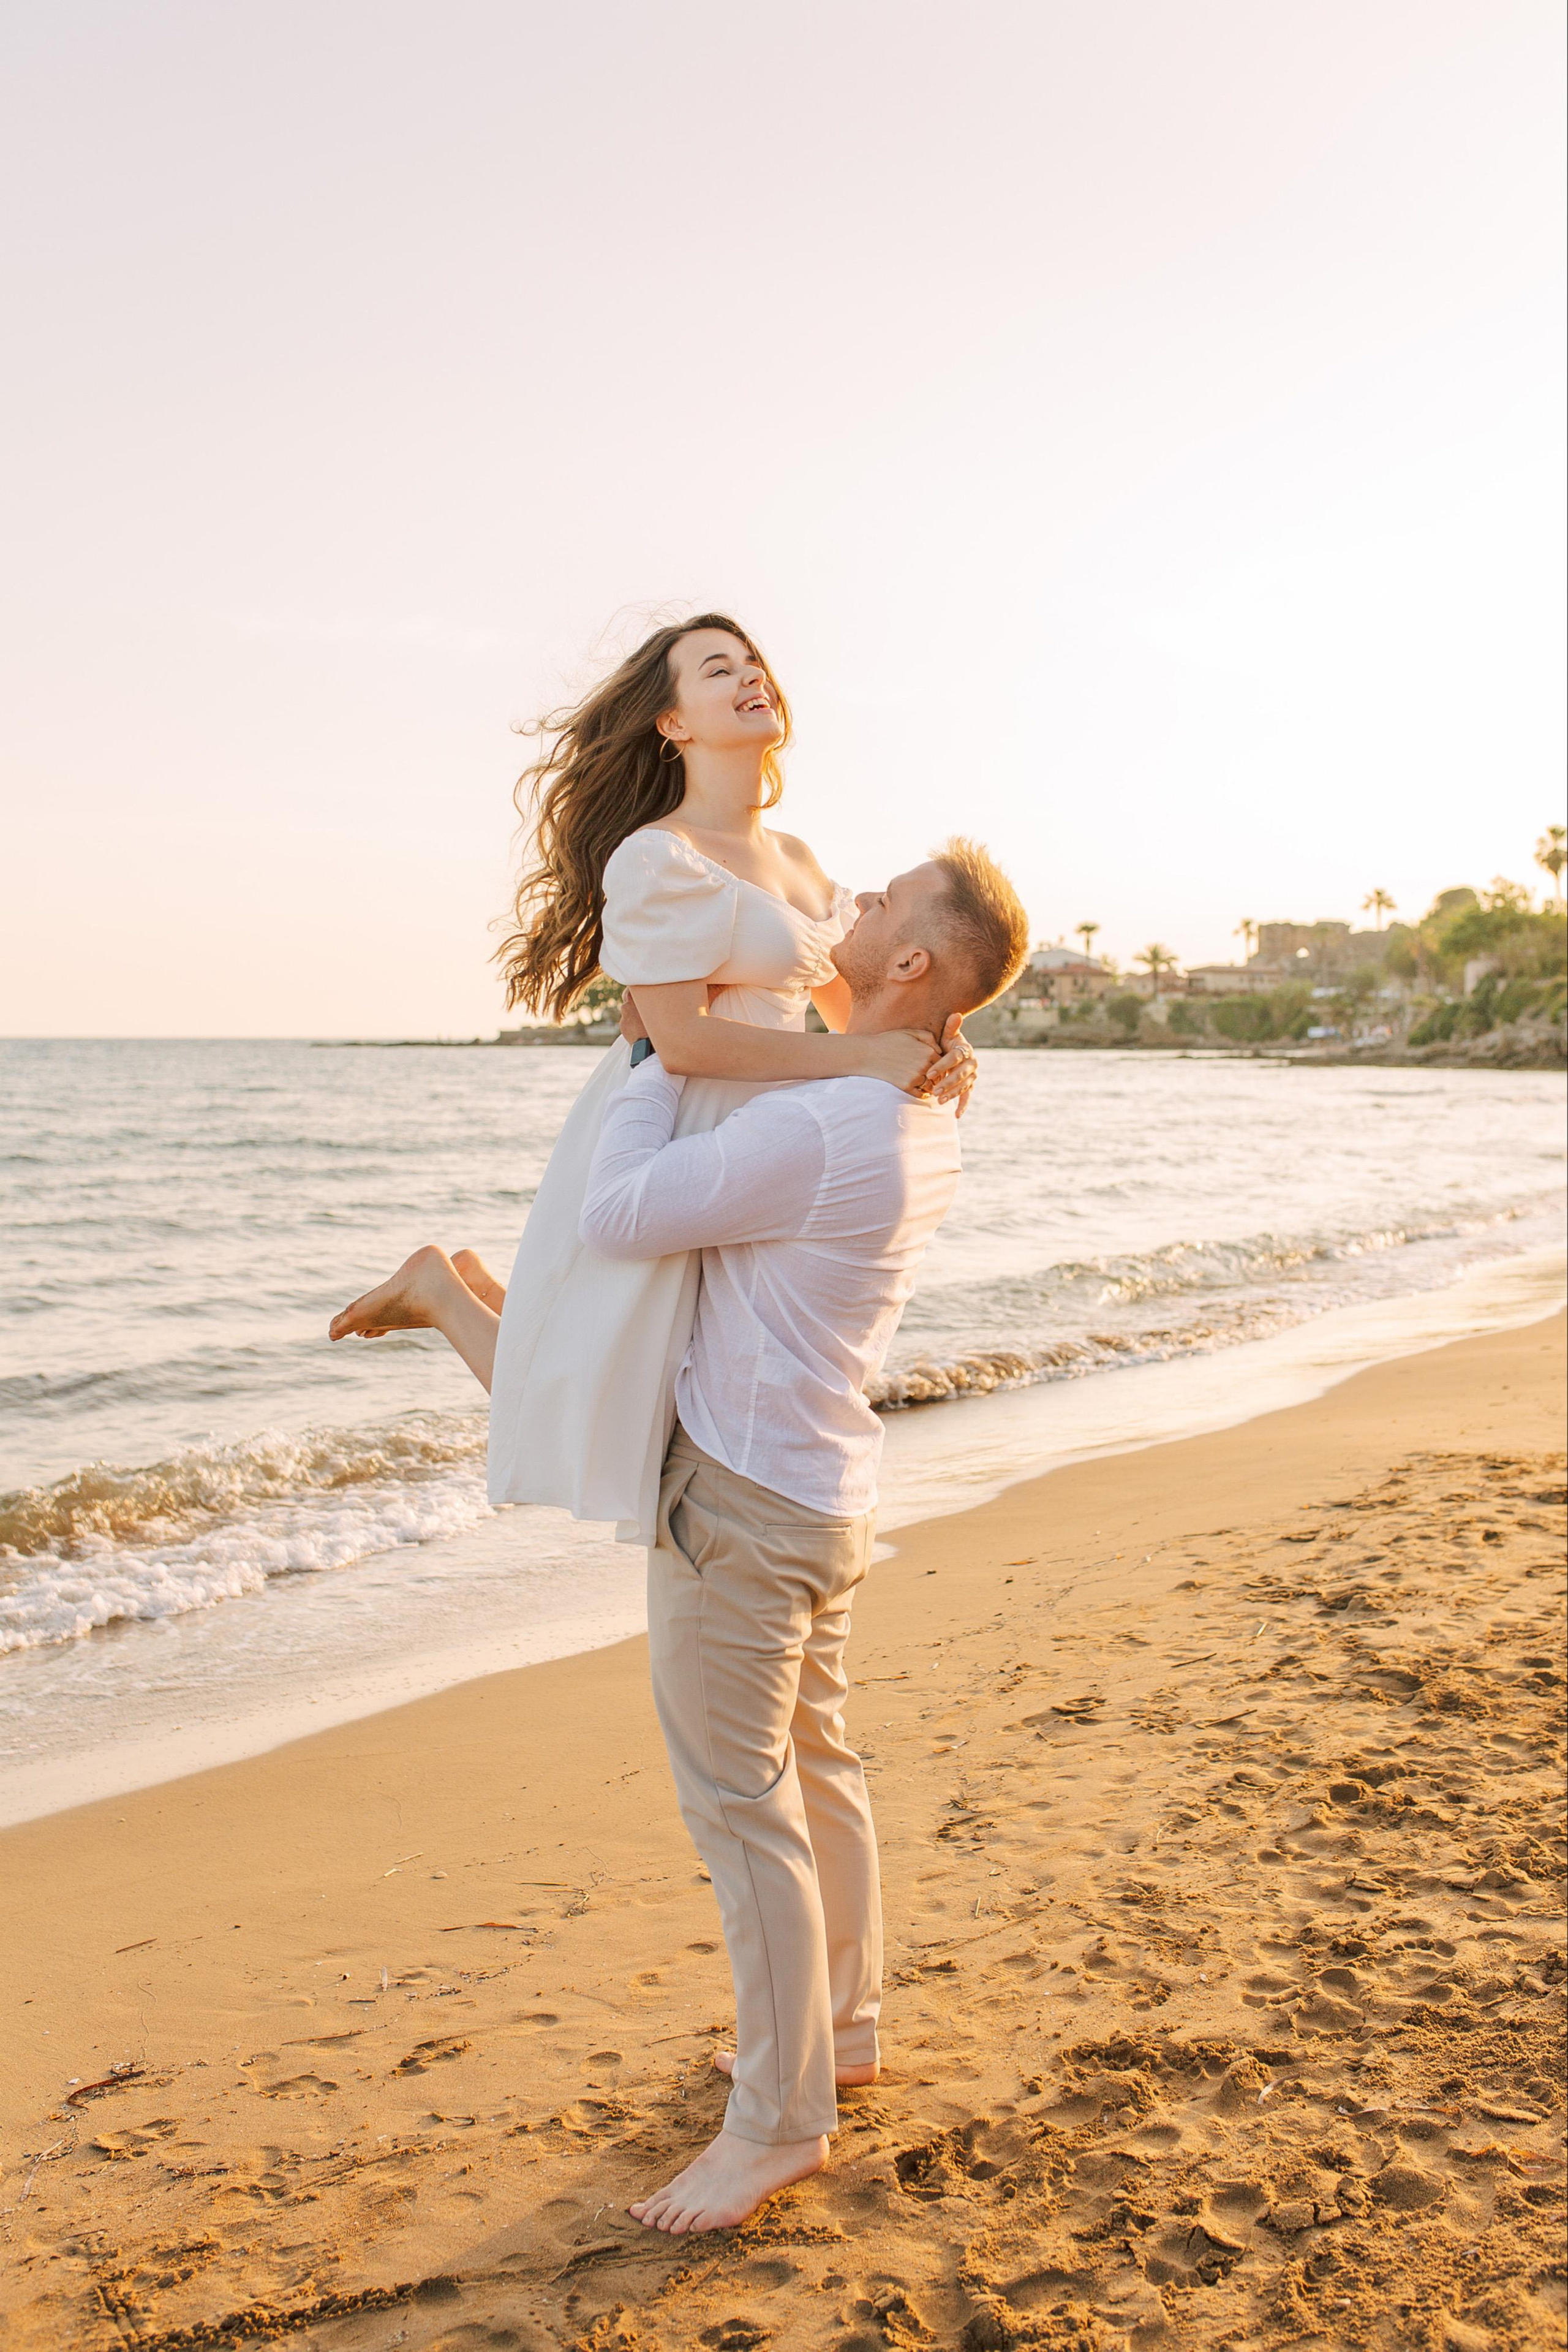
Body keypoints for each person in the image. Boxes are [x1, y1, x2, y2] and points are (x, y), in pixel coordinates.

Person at [575, 839, 1029, 2234]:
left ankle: (779, 2122)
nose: (854, 902)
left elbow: (615, 1216)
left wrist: (651, 1055)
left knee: (742, 1807)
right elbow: (849, 1007)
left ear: (912, 962)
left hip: (744, 1500)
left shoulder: (827, 1123)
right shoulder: (912, 1110)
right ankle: (843, 2028)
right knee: (817, 1770)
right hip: (823, 1491)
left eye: (881, 903)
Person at [328, 615, 976, 1541]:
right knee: (613, 1390)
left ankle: (470, 1288)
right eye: (718, 670)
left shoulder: (798, 860)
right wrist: (865, 1059)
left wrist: (942, 1043)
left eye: (754, 664)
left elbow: (854, 1009)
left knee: (657, 1376)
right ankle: (440, 1290)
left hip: (762, 1141)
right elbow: (677, 1041)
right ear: (673, 722)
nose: (751, 678)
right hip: (671, 1118)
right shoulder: (658, 856)